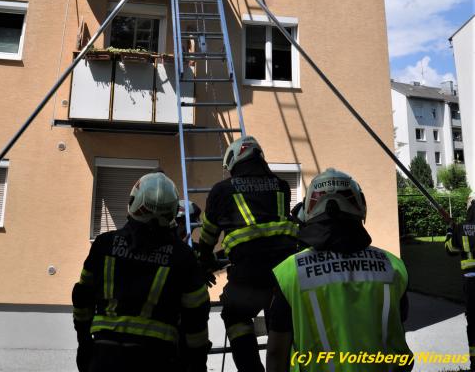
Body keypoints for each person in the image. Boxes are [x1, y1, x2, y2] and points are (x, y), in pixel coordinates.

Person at [267, 168, 413, 372]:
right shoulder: (393, 266)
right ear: (360, 208)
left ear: (308, 210)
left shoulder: (289, 273)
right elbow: (397, 329)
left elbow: (276, 353)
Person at [72, 172, 210, 372]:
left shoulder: (104, 244)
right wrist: (197, 363)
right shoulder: (183, 256)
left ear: (134, 202)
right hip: (157, 359)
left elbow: (82, 297)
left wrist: (84, 342)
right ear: (172, 212)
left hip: (104, 356)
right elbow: (196, 317)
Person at [198, 136, 298, 372]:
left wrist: (205, 261)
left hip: (248, 274)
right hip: (284, 274)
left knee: (235, 317)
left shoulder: (222, 190)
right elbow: (270, 229)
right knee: (281, 323)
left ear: (234, 161)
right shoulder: (282, 186)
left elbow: (209, 235)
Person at [445, 192, 475, 371]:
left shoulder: (462, 228)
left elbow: (450, 249)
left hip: (471, 283)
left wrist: (451, 229)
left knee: (473, 324)